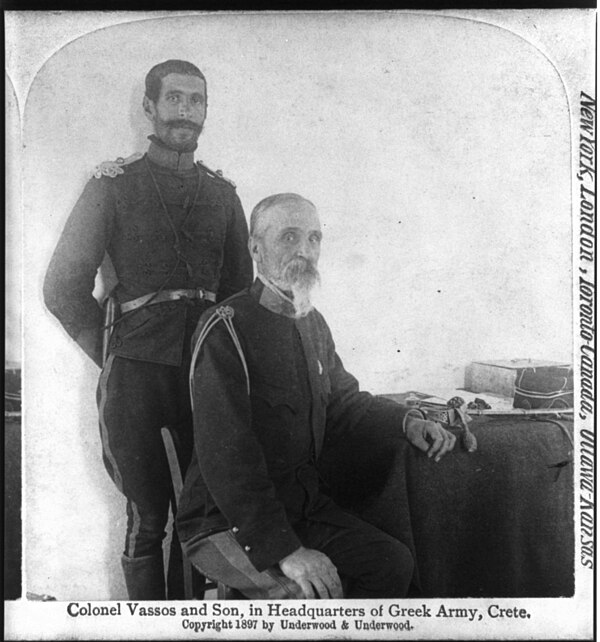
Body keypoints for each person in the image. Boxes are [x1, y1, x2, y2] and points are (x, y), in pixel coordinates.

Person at [43, 59, 253, 599]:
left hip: (204, 380)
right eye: (175, 98)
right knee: (147, 517)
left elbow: (237, 299)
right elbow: (63, 285)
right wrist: (114, 352)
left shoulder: (224, 195)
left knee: (207, 515)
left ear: (206, 111)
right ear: (150, 108)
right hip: (134, 375)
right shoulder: (112, 186)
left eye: (196, 101)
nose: (186, 110)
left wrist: (224, 368)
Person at [176, 193, 456, 599]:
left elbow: (344, 403)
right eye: (289, 237)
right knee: (301, 595)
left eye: (314, 238)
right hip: (225, 521)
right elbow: (228, 457)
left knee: (393, 563)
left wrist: (406, 422)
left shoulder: (312, 323)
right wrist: (286, 550)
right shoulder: (225, 330)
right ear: (256, 248)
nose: (305, 251)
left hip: (300, 509)